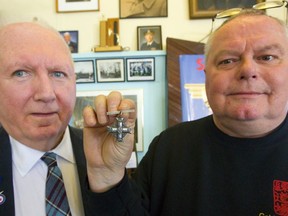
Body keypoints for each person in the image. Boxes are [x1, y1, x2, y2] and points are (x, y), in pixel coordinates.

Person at [83, 9, 288, 215]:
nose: (247, 70)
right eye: (227, 60)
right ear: (206, 75)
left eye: (267, 57)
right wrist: (106, 175)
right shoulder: (168, 148)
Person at [0, 21, 136, 215]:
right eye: (21, 73)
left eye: (58, 73)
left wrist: (107, 178)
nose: (46, 93)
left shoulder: (105, 155)